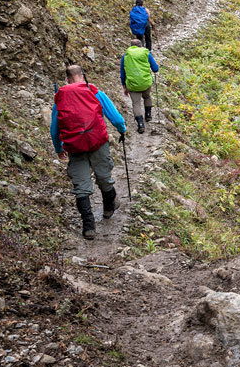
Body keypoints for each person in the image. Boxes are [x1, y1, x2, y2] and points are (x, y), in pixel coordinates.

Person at [51, 65, 127, 240]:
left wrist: (59, 148)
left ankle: (89, 227)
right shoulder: (93, 92)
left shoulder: (60, 97)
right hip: (97, 143)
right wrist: (121, 129)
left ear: (68, 79)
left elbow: (54, 129)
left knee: (81, 186)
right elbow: (115, 117)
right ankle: (108, 208)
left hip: (75, 147)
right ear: (83, 76)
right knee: (104, 176)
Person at [121, 39, 159, 134]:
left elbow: (122, 72)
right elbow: (155, 68)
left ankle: (141, 124)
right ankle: (148, 115)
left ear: (131, 46)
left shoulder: (126, 56)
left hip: (132, 84)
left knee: (136, 103)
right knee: (147, 96)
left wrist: (124, 85)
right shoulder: (146, 53)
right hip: (145, 82)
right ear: (141, 46)